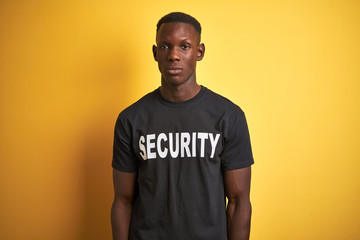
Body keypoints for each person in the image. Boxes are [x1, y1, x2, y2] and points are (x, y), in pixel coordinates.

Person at [111, 12, 254, 240]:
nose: (174, 55)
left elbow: (238, 202)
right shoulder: (131, 119)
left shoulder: (228, 116)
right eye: (165, 46)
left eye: (185, 46)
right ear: (155, 53)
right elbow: (123, 201)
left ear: (199, 52)